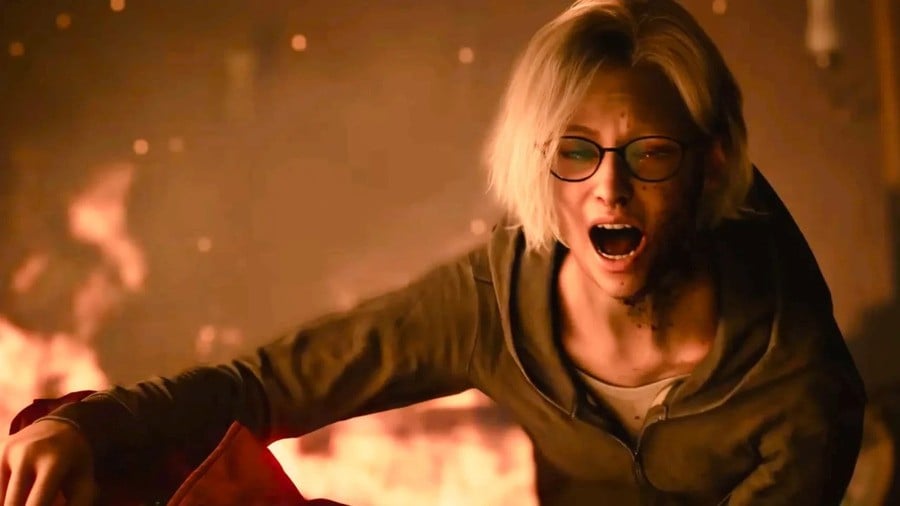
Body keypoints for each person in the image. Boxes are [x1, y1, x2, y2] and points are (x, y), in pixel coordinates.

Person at [0, 0, 866, 504]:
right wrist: (88, 425)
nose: (609, 189)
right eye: (576, 151)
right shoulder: (492, 301)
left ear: (710, 164)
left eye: (650, 153)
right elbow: (263, 387)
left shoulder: (801, 390)